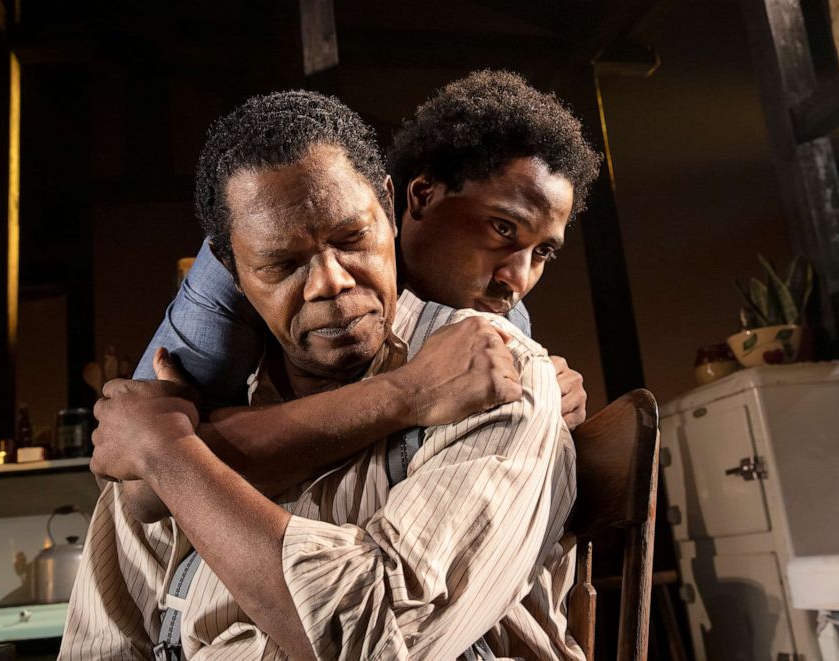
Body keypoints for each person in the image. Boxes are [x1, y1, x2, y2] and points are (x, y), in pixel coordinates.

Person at [61, 83, 598, 659]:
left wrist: (167, 453)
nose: (330, 281)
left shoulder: (497, 372)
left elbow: (371, 642)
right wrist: (162, 450)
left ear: (388, 211)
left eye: (351, 239)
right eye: (281, 263)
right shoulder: (177, 393)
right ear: (233, 268)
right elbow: (133, 515)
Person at [119, 70, 598, 525]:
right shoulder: (252, 238)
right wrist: (411, 391)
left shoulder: (507, 320)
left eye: (543, 252)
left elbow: (170, 454)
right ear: (418, 198)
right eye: (502, 228)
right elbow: (143, 482)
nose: (517, 278)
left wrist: (545, 402)